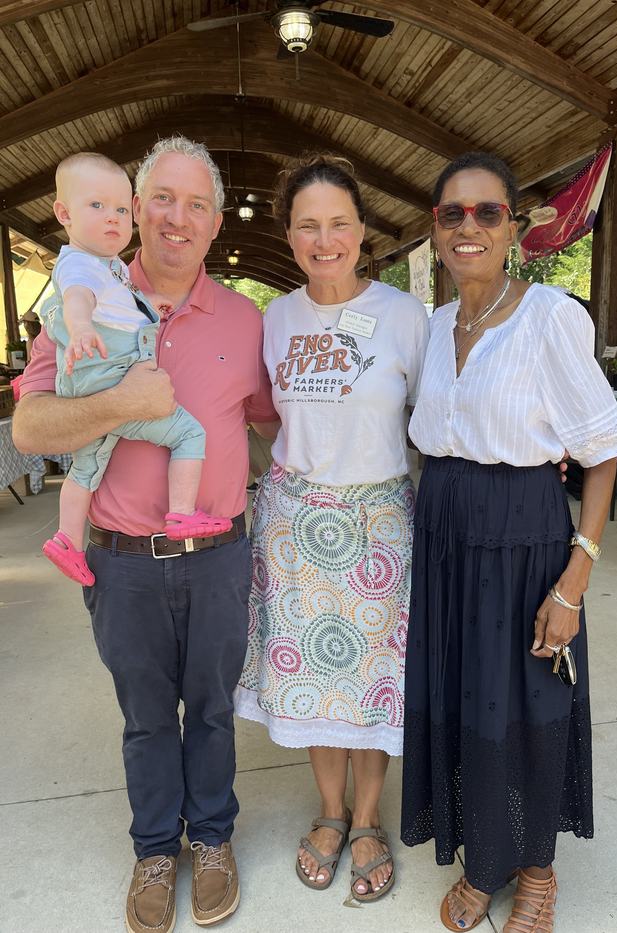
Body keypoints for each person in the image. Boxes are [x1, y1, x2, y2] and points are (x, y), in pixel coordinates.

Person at [13, 136, 278, 933]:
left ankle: (215, 838)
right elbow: (29, 424)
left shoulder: (244, 317)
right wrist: (122, 404)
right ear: (133, 206)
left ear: (217, 220)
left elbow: (274, 421)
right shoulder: (80, 294)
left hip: (220, 554)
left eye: (198, 203)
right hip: (123, 560)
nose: (177, 217)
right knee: (145, 717)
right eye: (162, 197)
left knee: (211, 709)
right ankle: (157, 848)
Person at [400, 152, 617, 932]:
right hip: (447, 534)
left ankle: (535, 870)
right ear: (435, 229)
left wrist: (574, 582)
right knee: (466, 698)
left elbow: (600, 453)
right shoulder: (435, 324)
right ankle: (483, 858)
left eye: (486, 212)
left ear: (514, 228)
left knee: (527, 702)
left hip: (522, 533)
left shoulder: (550, 317)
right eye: (452, 213)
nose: (468, 227)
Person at [235, 154, 430, 900]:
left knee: (374, 680)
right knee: (314, 675)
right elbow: (257, 413)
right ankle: (329, 812)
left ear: (361, 230)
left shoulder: (404, 316)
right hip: (295, 525)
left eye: (339, 223)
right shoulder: (274, 318)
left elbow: (435, 419)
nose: (325, 239)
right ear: (288, 234)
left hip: (380, 521)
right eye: (309, 225)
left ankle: (371, 818)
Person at [40, 152, 231, 587]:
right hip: (108, 376)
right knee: (188, 433)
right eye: (96, 206)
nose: (112, 219)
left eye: (119, 209)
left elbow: (116, 305)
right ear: (64, 214)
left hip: (217, 566)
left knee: (85, 468)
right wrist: (83, 329)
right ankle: (181, 512)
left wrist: (151, 309)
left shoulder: (112, 272)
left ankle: (67, 539)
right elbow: (79, 298)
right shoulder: (79, 264)